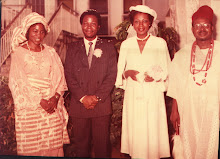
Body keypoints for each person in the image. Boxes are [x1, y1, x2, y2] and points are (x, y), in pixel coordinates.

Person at [9, 12, 69, 157]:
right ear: (27, 31)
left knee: (53, 146)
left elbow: (60, 77)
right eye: (35, 31)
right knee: (33, 148)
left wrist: (55, 98)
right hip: (31, 107)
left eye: (42, 32)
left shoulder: (51, 52)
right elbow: (18, 81)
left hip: (51, 106)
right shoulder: (18, 53)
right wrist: (39, 101)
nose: (39, 35)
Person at [115, 5, 171, 159]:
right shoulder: (126, 45)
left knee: (152, 127)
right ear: (132, 24)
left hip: (152, 92)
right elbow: (120, 71)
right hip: (134, 93)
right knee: (136, 128)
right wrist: (127, 73)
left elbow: (167, 69)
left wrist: (156, 76)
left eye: (144, 21)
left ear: (150, 23)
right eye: (137, 21)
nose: (141, 25)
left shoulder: (160, 43)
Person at [167, 5, 220, 159]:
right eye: (197, 25)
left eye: (205, 25)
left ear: (212, 27)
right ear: (192, 29)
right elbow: (176, 85)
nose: (201, 29)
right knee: (190, 145)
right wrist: (174, 110)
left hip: (214, 109)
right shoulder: (182, 55)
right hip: (189, 110)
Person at [64, 9, 117, 158]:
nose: (89, 27)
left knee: (102, 147)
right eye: (85, 23)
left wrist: (97, 97)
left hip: (101, 105)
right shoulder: (72, 48)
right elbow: (69, 74)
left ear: (99, 26)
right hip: (79, 105)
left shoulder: (108, 47)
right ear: (81, 25)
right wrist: (83, 97)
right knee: (81, 147)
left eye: (93, 24)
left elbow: (111, 75)